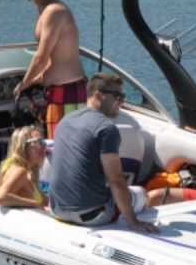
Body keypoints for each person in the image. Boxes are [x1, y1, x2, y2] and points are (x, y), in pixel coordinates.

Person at [47, 74, 157, 232]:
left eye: (123, 96)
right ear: (98, 95)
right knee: (140, 193)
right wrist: (133, 222)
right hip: (91, 216)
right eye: (118, 96)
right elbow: (116, 181)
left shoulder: (65, 120)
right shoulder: (106, 129)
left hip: (57, 209)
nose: (122, 101)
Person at [13, 0, 87, 139]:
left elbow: (41, 56)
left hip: (67, 90)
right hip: (56, 90)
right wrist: (38, 79)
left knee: (64, 147)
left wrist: (24, 84)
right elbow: (53, 55)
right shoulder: (44, 10)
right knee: (57, 145)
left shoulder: (54, 11)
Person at [0, 125, 47, 208]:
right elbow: (1, 198)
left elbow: (44, 200)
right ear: (23, 146)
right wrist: (36, 204)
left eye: (43, 142)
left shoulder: (23, 170)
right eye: (38, 142)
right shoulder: (20, 171)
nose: (43, 147)